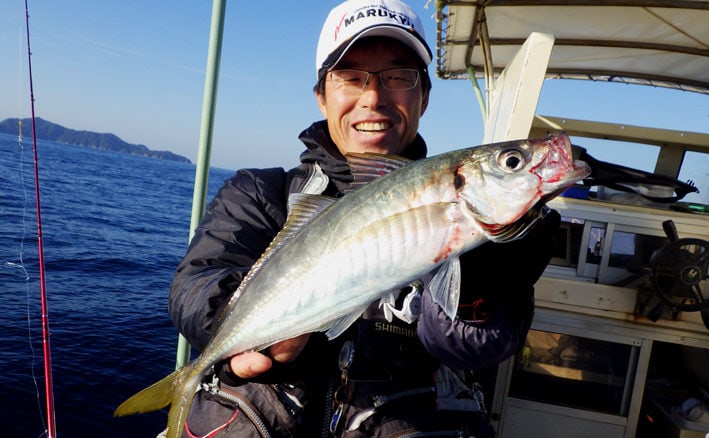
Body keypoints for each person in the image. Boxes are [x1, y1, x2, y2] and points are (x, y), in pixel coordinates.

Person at [168, 0, 560, 436]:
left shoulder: (498, 231)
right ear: (321, 96)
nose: (373, 98)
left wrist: (485, 286)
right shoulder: (261, 193)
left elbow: (472, 350)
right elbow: (195, 282)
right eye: (351, 78)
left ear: (424, 96)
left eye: (398, 77)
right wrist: (247, 326)